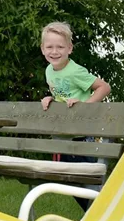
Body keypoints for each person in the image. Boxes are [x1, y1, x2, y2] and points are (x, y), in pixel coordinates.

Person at [40, 21, 111, 211]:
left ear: (69, 49)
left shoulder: (75, 71)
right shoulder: (49, 71)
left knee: (89, 182)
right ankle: (94, 215)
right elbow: (63, 95)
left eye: (60, 47)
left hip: (83, 136)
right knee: (71, 183)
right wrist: (51, 99)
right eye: (50, 47)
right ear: (42, 49)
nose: (55, 51)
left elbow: (104, 87)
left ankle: (103, 214)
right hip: (65, 137)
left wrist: (84, 106)